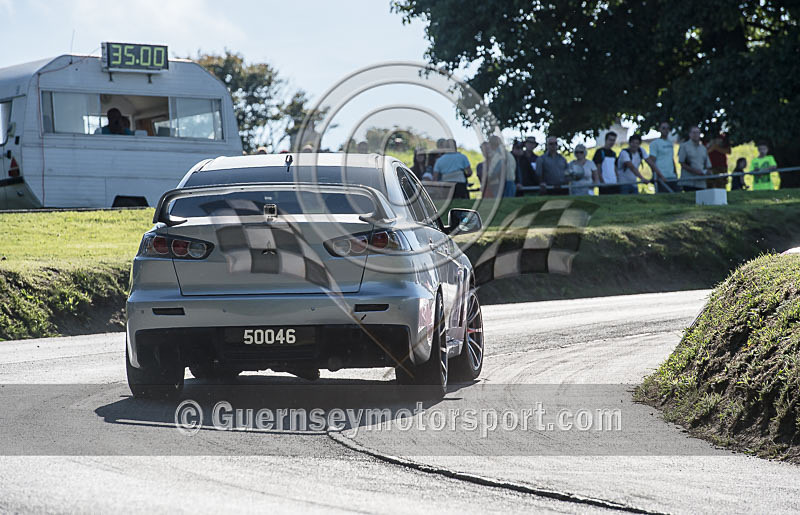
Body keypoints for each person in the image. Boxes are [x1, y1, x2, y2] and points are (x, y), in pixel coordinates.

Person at [678, 126, 711, 191]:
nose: (695, 135)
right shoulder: (684, 146)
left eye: (697, 132)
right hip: (688, 182)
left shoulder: (703, 148)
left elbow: (708, 165)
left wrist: (707, 172)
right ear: (690, 134)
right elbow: (682, 163)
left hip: (701, 183)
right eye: (694, 132)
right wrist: (695, 171)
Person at [649, 122, 679, 193]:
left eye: (667, 128)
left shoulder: (670, 143)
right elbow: (652, 161)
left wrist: (675, 173)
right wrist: (657, 175)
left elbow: (671, 159)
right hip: (661, 177)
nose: (666, 130)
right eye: (663, 128)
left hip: (672, 176)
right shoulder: (655, 143)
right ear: (659, 129)